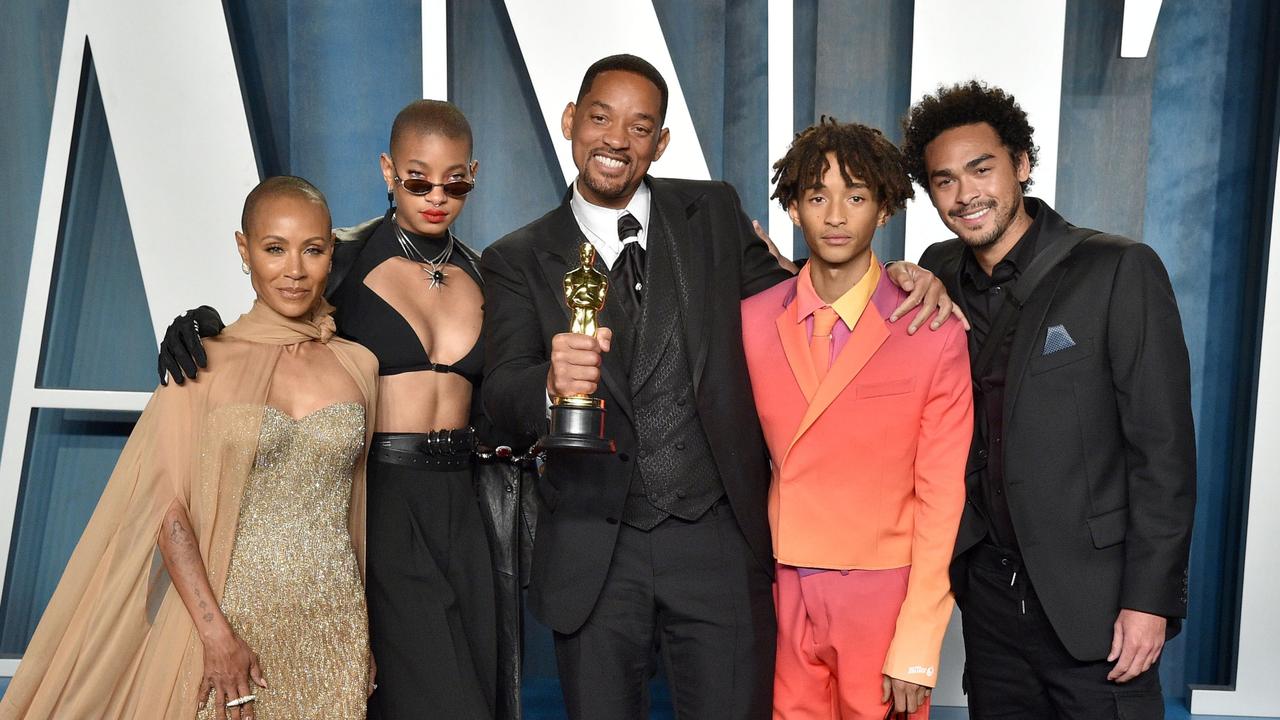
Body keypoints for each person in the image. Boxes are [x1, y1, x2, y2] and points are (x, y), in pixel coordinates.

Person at [480, 54, 960, 719]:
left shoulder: (710, 210)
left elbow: (804, 295)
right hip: (596, 550)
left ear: (660, 144)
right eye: (600, 117)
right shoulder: (515, 257)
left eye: (639, 126)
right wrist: (548, 385)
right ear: (570, 121)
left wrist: (906, 277)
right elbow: (498, 393)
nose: (617, 139)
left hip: (716, 544)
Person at [155, 101, 531, 720]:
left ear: (474, 174)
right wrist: (201, 327)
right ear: (388, 171)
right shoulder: (343, 256)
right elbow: (276, 311)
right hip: (382, 501)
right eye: (418, 179)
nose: (437, 195)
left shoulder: (487, 274)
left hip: (468, 503)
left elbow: (513, 384)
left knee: (479, 690)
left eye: (455, 180)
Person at [0, 176, 379, 720]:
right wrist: (216, 635)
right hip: (229, 624)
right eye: (274, 249)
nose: (294, 269)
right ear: (243, 250)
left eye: (312, 250)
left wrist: (361, 633)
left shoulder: (357, 365)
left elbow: (356, 513)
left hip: (331, 624)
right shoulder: (198, 363)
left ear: (330, 254)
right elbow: (167, 509)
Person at [904, 81, 1196, 719]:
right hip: (989, 603)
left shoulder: (1118, 268)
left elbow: (1163, 452)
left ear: (1022, 165)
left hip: (1097, 607)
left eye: (982, 169)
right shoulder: (937, 269)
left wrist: (1150, 602)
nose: (965, 194)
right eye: (944, 181)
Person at [742, 118, 972, 719]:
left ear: (886, 209)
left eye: (857, 196)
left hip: (884, 589)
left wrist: (920, 640)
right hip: (782, 581)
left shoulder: (931, 327)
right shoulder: (751, 320)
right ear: (792, 208)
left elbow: (943, 496)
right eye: (818, 196)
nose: (837, 215)